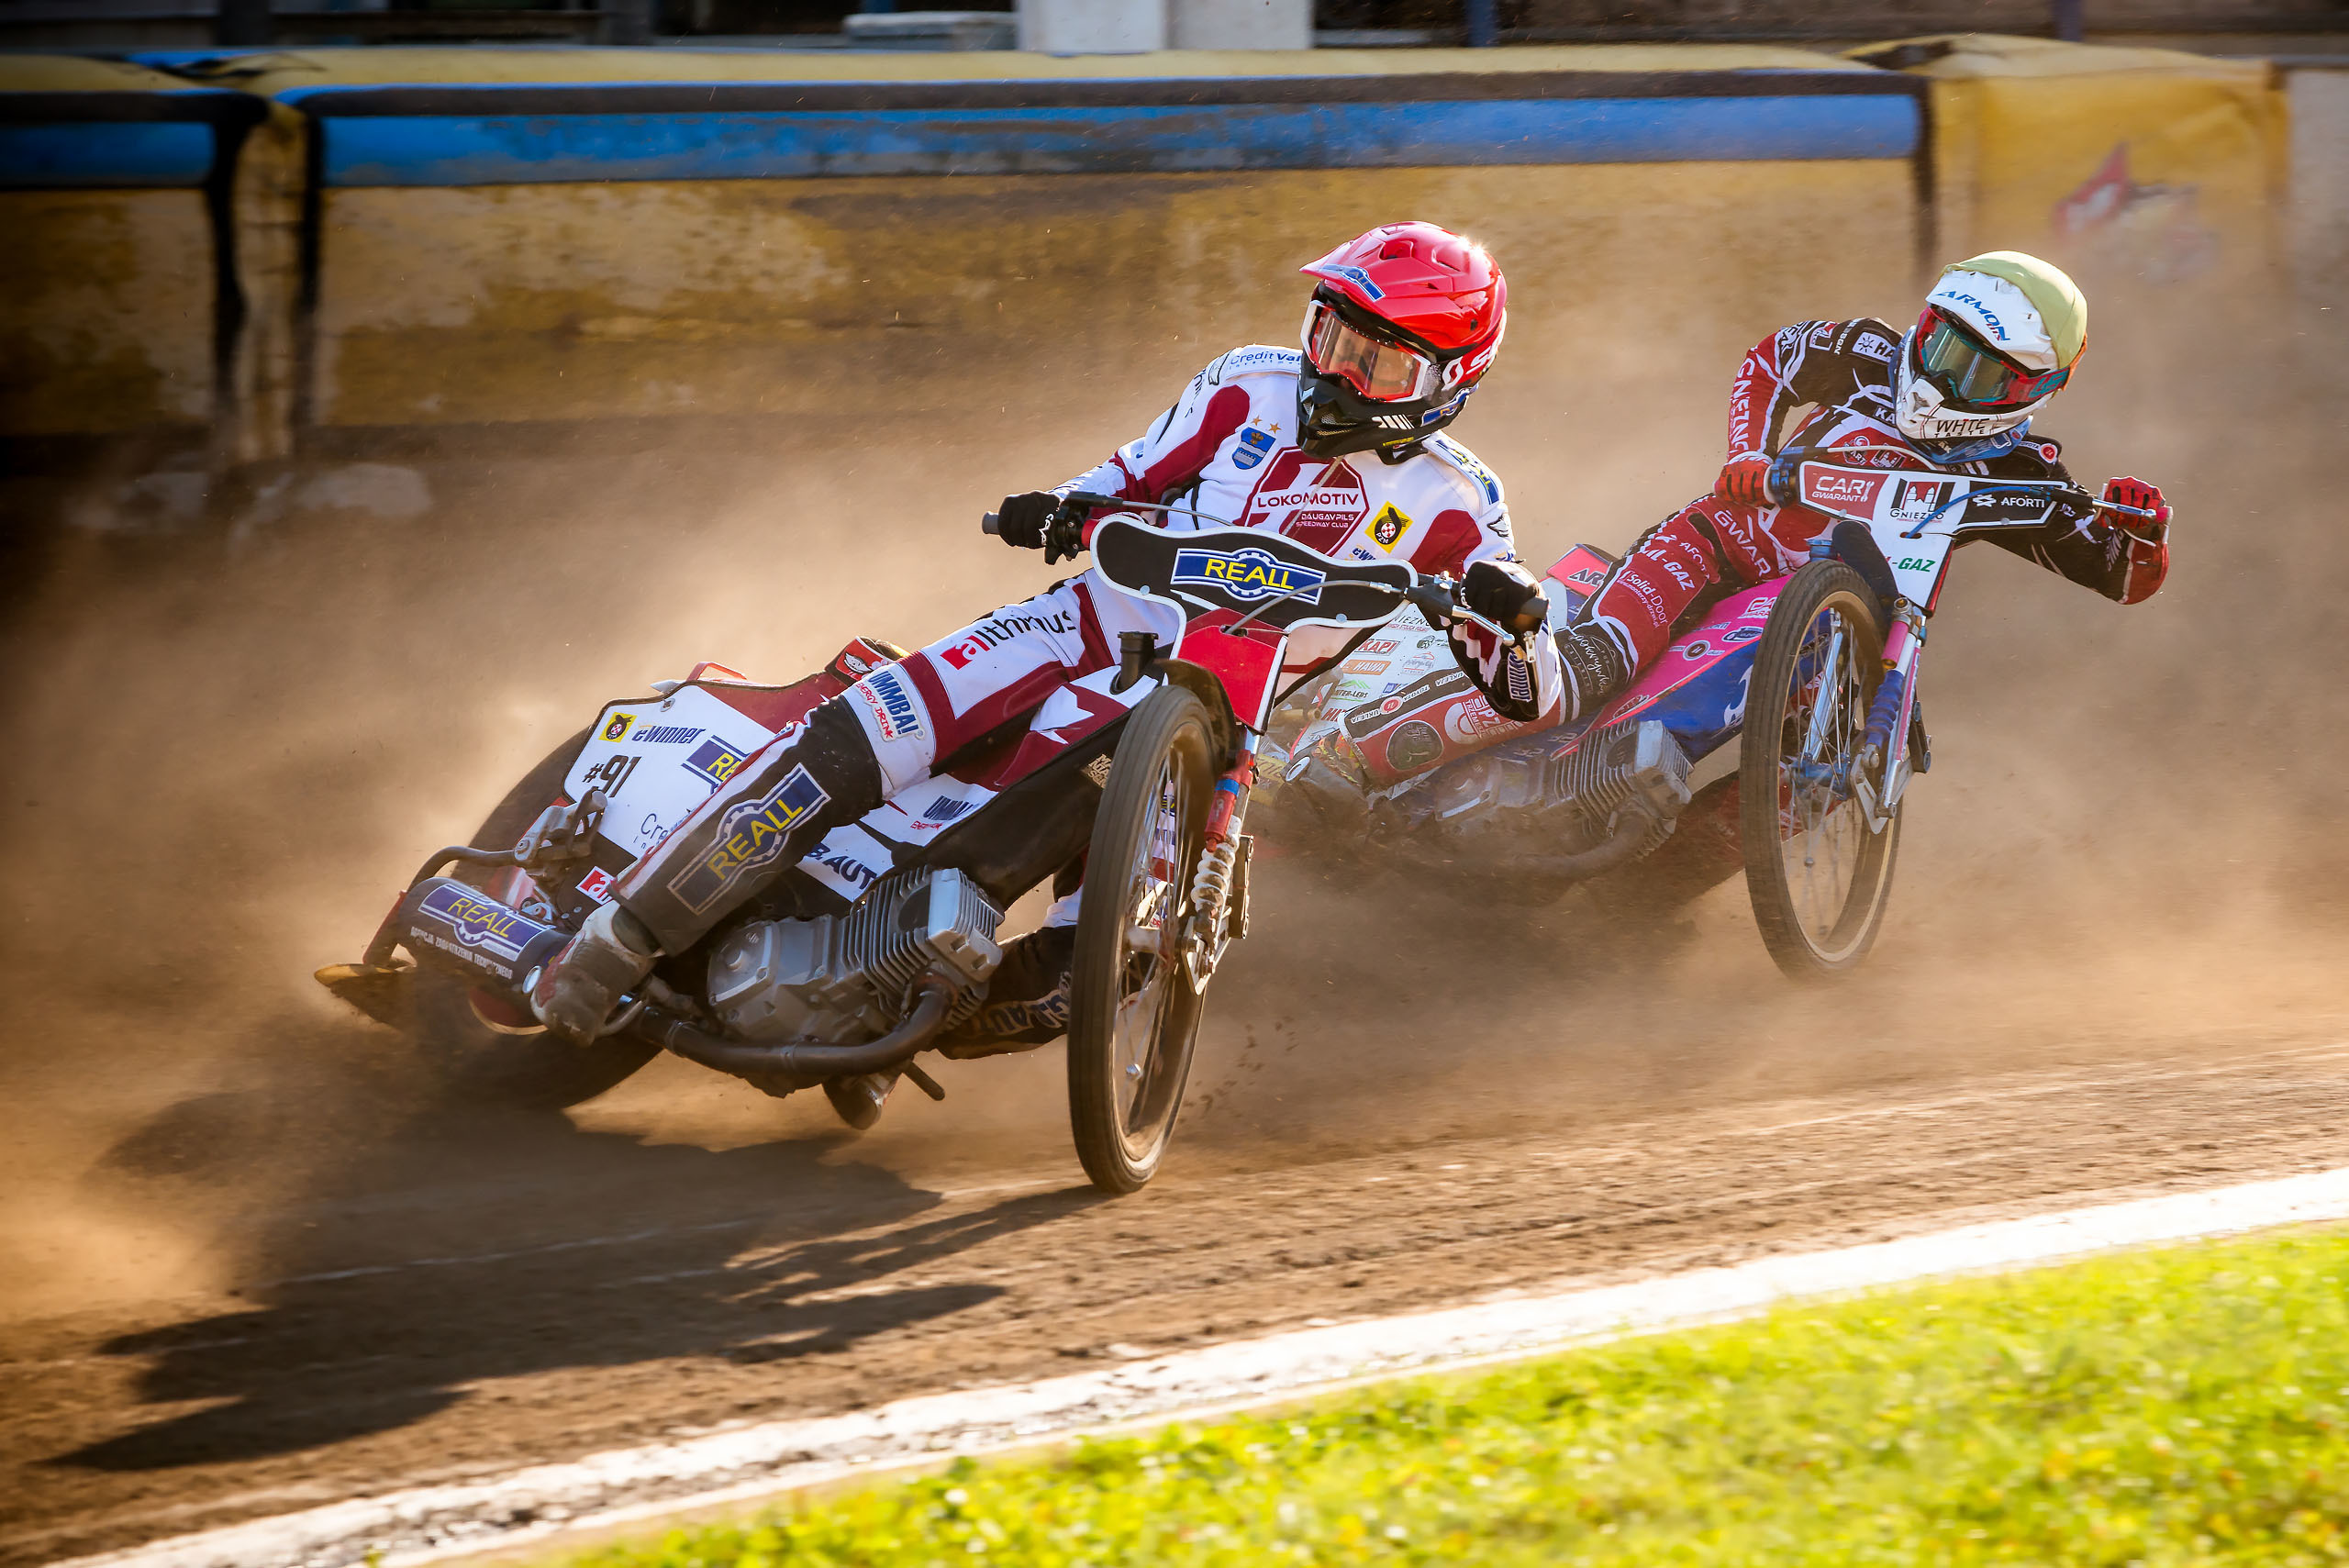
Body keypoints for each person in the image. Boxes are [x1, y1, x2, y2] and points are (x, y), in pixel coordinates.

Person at [529, 220, 1559, 1048]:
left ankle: (889, 991)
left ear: (1447, 381)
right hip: (1081, 619)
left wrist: (1516, 617)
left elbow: (1527, 683)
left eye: (1378, 363)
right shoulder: (1244, 378)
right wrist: (1063, 506)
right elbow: (1125, 475)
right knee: (859, 735)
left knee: (1085, 978)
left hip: (1212, 710)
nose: (1338, 373)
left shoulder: (1459, 500)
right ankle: (618, 937)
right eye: (1331, 336)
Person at [1539, 250, 2172, 725]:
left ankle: (1665, 887)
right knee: (1592, 666)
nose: (1942, 374)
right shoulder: (1866, 349)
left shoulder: (2026, 471)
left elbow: (2120, 578)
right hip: (1725, 539)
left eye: (1976, 371)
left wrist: (2146, 534)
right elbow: (1768, 360)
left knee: (1827, 771)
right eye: (1940, 341)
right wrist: (1749, 455)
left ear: (2031, 388)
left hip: (1842, 626)